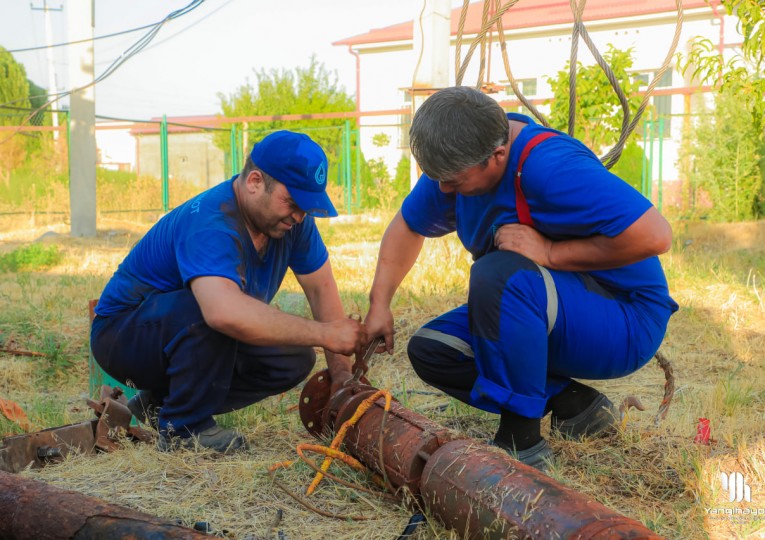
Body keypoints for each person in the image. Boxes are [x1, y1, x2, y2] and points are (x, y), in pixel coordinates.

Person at [364, 87, 678, 470]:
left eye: (453, 181)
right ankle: (574, 405)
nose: (443, 189)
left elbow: (656, 235)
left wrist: (549, 253)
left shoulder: (549, 168)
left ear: (496, 157)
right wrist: (379, 305)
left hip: (623, 318)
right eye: (438, 178)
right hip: (550, 308)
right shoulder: (456, 163)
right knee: (434, 350)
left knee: (499, 276)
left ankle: (521, 442)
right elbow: (407, 227)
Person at [91, 130, 366, 453]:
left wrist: (342, 379)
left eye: (307, 206)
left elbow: (321, 291)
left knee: (293, 356)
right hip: (123, 336)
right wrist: (324, 334)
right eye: (292, 202)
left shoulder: (295, 223)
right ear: (254, 182)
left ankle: (160, 405)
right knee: (214, 311)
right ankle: (183, 428)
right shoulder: (213, 221)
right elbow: (223, 313)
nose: (299, 215)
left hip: (182, 330)